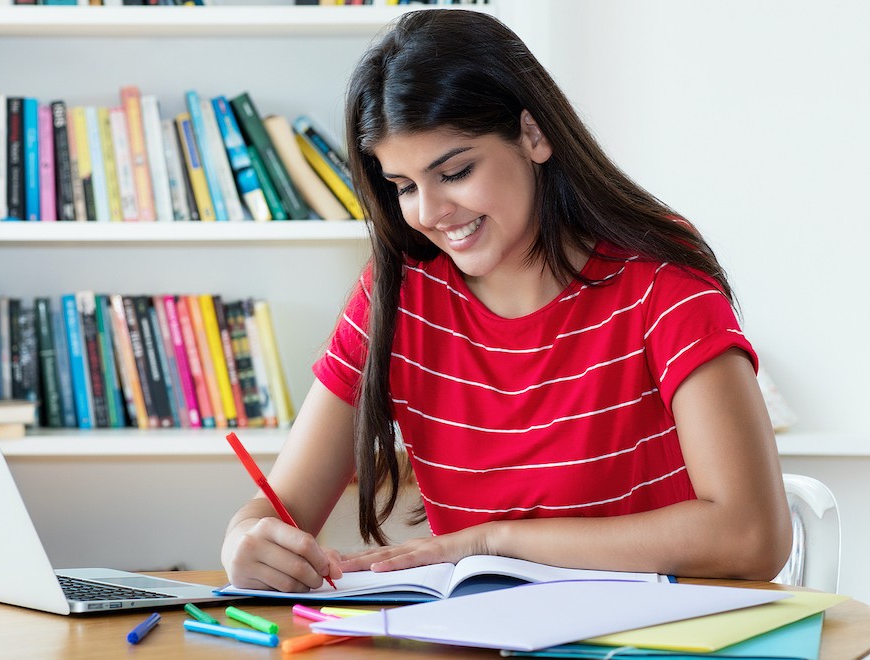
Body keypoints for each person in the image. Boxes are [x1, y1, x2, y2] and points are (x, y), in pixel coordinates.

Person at [221, 9, 791, 593]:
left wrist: (494, 541)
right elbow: (281, 509)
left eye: (457, 171)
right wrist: (245, 537)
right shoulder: (400, 291)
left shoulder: (657, 276)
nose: (430, 213)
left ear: (533, 134)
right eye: (405, 187)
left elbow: (751, 536)